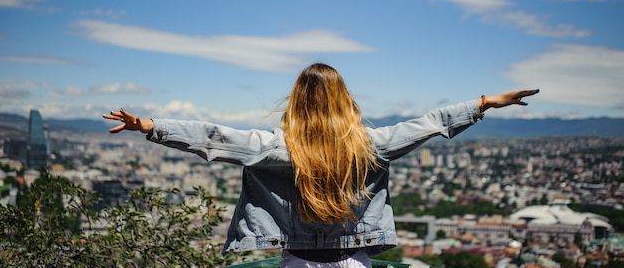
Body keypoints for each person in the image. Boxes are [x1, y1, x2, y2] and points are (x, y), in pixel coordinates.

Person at [104, 63, 539, 268]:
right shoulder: (370, 145)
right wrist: (481, 104)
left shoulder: (275, 148)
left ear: (298, 102)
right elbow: (427, 124)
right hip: (355, 261)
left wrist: (150, 126)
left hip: (297, 261)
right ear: (343, 100)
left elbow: (213, 138)